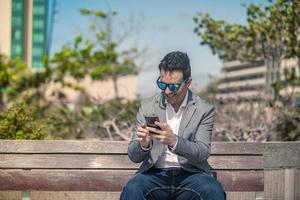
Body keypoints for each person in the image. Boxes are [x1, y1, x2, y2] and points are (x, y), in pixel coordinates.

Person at [120, 51, 226, 200]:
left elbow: (202, 152)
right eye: (162, 84)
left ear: (188, 83)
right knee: (132, 190)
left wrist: (174, 141)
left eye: (174, 86)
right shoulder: (147, 106)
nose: (167, 91)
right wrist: (143, 145)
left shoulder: (203, 109)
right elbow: (133, 156)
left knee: (213, 191)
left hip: (191, 174)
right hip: (155, 173)